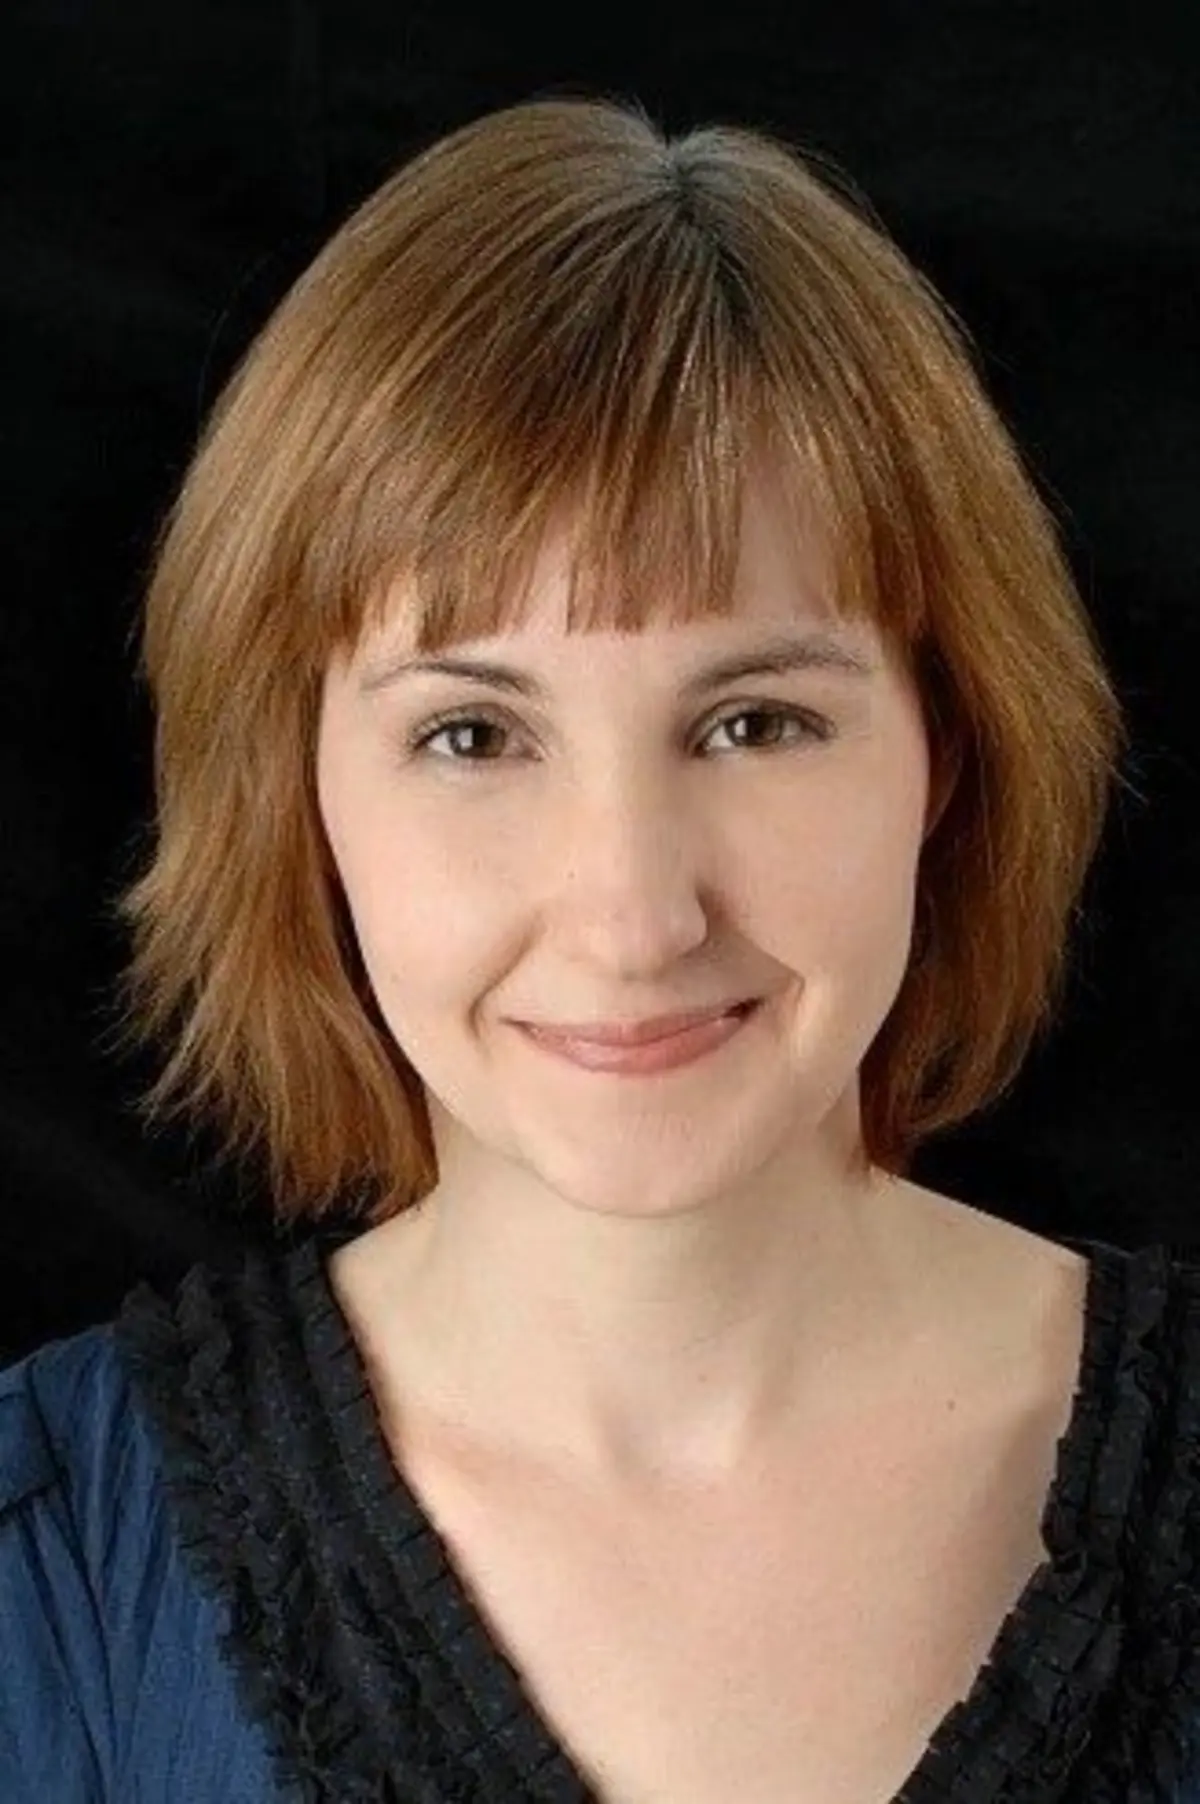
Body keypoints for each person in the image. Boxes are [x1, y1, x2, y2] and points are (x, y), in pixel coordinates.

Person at [2, 90, 1198, 1804]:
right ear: (297, 789)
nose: (634, 917)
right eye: (475, 736)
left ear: (945, 754)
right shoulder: (45, 1566)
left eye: (756, 723)